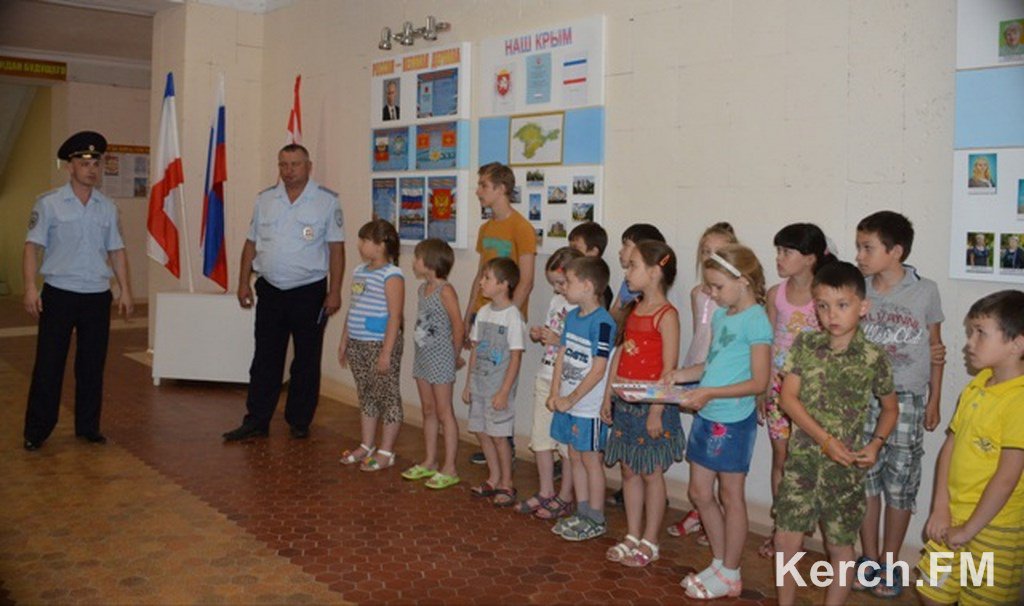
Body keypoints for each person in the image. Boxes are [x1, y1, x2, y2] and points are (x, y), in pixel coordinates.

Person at [774, 262, 898, 606]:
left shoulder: (873, 357)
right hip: (802, 464)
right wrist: (824, 440)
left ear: (863, 307)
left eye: (842, 305)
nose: (832, 315)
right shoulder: (806, 344)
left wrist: (876, 444)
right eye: (823, 305)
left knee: (840, 546)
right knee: (786, 541)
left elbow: (890, 408)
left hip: (844, 470)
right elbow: (788, 399)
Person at [666, 244, 772, 599]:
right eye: (709, 286)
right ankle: (720, 562)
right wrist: (681, 375)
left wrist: (710, 392)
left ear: (743, 281)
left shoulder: (756, 320)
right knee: (699, 492)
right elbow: (712, 366)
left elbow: (759, 382)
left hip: (733, 419)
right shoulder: (723, 316)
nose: (711, 293)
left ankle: (731, 571)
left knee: (730, 495)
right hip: (708, 413)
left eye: (717, 286)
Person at [224, 144, 345, 441]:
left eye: (295, 164)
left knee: (306, 360)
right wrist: (242, 282)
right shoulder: (265, 199)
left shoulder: (327, 201)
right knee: (265, 358)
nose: (288, 171)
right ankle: (257, 420)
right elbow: (251, 243)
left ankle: (299, 420)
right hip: (270, 290)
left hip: (309, 292)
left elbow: (336, 249)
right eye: (283, 165)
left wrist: (335, 291)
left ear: (308, 166)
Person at [22, 130, 133, 451]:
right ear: (69, 166)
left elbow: (116, 250)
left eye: (96, 163)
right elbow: (32, 247)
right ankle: (37, 430)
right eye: (84, 163)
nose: (91, 169)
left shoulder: (107, 207)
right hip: (60, 293)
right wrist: (30, 288)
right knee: (49, 364)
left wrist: (125, 289)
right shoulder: (49, 204)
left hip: (96, 295)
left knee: (92, 365)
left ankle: (88, 427)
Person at [853, 210, 945, 598]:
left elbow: (936, 349)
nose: (859, 256)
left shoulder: (926, 291)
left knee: (900, 484)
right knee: (866, 480)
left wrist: (934, 399)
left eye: (867, 248)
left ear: (896, 251)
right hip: (864, 399)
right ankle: (869, 559)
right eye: (858, 247)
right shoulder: (858, 289)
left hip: (907, 398)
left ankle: (890, 564)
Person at [916, 290, 1024, 606]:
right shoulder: (977, 385)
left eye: (980, 333)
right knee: (931, 591)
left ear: (1017, 344)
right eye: (970, 332)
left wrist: (969, 529)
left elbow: (1007, 477)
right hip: (952, 515)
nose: (969, 343)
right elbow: (950, 446)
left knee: (980, 599)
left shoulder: (1018, 401)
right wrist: (940, 506)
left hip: (994, 528)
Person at [601, 241, 685, 568]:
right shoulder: (633, 308)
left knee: (651, 472)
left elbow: (669, 368)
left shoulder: (667, 316)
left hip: (651, 408)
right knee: (628, 470)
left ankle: (651, 539)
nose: (627, 272)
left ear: (654, 272)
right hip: (625, 405)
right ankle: (632, 534)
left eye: (633, 265)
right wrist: (608, 394)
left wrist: (656, 411)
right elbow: (620, 353)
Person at [757, 223, 833, 559]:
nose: (779, 258)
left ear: (810, 258)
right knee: (782, 459)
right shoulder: (775, 294)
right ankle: (782, 529)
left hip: (812, 393)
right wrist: (763, 387)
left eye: (787, 252)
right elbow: (768, 343)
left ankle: (802, 529)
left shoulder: (824, 297)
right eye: (778, 251)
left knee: (808, 464)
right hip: (777, 389)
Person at [665, 221, 737, 542]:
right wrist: (687, 372)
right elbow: (700, 336)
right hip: (697, 372)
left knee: (720, 449)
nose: (711, 257)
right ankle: (701, 509)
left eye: (719, 252)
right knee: (702, 446)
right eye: (706, 252)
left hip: (722, 378)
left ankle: (715, 513)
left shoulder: (734, 299)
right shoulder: (697, 294)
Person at [463, 162, 536, 466]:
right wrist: (470, 311)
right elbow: (481, 274)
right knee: (482, 378)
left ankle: (505, 445)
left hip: (506, 320)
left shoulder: (522, 227)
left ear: (501, 189)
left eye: (484, 185)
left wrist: (509, 315)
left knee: (502, 382)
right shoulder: (486, 228)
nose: (478, 191)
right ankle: (491, 444)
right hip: (484, 316)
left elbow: (527, 279)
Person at [547, 257, 617, 541]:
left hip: (588, 407)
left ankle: (596, 517)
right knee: (574, 456)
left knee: (590, 460)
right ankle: (582, 511)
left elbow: (599, 369)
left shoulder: (603, 323)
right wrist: (555, 393)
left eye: (569, 282)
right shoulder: (573, 316)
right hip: (569, 404)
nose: (564, 287)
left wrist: (572, 399)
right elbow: (562, 355)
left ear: (588, 286)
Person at [516, 247, 582, 518]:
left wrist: (558, 340)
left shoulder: (584, 308)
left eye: (561, 283)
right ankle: (546, 491)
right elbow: (552, 332)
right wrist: (540, 334)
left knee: (566, 444)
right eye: (554, 284)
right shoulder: (556, 301)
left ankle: (565, 495)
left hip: (568, 382)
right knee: (541, 437)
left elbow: (585, 347)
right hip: (546, 374)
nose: (557, 289)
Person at [338, 219, 405, 471]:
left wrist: (386, 352)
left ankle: (386, 451)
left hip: (379, 345)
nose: (360, 244)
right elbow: (353, 306)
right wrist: (344, 340)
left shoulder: (392, 275)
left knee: (387, 397)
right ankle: (367, 445)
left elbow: (395, 316)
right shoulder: (359, 271)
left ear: (380, 245)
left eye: (365, 240)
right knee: (366, 395)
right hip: (357, 344)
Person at [462, 258, 527, 506]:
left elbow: (516, 357)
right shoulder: (483, 313)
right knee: (481, 431)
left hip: (498, 390)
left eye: (487, 278)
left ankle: (506, 483)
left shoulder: (513, 317)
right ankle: (493, 476)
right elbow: (475, 350)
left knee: (499, 437)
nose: (481, 282)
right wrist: (468, 384)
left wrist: (504, 391)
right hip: (479, 386)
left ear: (503, 284)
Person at [401, 238, 463, 489]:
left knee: (444, 411)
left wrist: (454, 355)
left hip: (441, 358)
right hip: (423, 358)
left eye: (417, 257)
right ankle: (430, 460)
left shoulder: (445, 291)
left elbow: (458, 326)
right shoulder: (422, 289)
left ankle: (450, 467)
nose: (413, 262)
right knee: (428, 409)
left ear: (430, 262)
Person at [608, 223, 665, 327]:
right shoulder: (628, 281)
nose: (620, 251)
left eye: (626, 245)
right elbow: (614, 312)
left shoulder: (645, 285)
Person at [568, 221, 614, 309]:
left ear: (593, 251)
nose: (570, 252)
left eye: (575, 248)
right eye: (569, 247)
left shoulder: (602, 291)